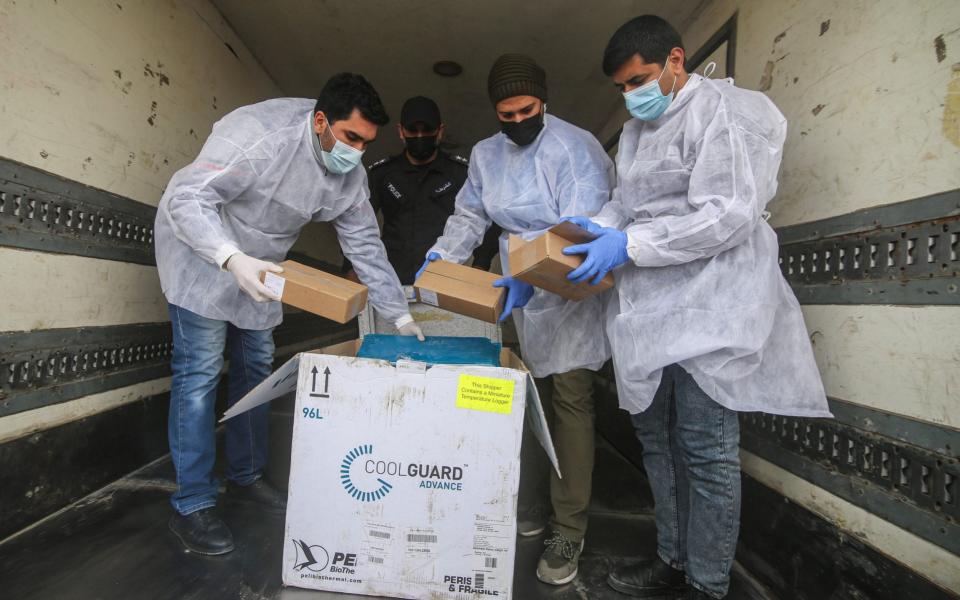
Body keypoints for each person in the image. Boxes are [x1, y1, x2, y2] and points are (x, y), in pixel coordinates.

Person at [562, 16, 831, 600]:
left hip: (712, 305)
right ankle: (671, 559)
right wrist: (601, 226)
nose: (632, 95)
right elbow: (626, 203)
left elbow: (728, 215)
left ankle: (707, 584)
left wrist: (628, 244)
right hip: (652, 309)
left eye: (639, 80)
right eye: (622, 88)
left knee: (705, 448)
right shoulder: (637, 131)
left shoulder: (728, 114)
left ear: (676, 61)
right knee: (657, 442)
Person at [154, 73, 424, 556]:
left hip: (264, 262)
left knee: (257, 368)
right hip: (202, 249)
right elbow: (187, 198)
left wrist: (398, 316)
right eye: (351, 138)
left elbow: (364, 244)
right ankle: (193, 502)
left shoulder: (350, 175)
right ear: (321, 121)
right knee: (198, 374)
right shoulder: (259, 136)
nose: (358, 152)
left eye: (367, 143)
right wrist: (230, 258)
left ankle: (246, 474)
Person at [419, 54, 614, 586]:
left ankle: (568, 528)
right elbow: (469, 214)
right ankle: (527, 503)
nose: (516, 121)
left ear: (543, 101)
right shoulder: (486, 154)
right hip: (515, 286)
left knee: (570, 397)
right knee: (522, 394)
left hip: (566, 283)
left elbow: (586, 227)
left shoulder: (575, 148)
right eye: (505, 114)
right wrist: (444, 258)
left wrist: (540, 276)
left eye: (526, 109)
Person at [343, 96, 501, 286]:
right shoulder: (383, 174)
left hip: (444, 280)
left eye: (427, 130)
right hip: (389, 282)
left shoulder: (460, 174)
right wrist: (351, 272)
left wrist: (480, 267)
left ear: (439, 131)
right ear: (401, 131)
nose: (419, 136)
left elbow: (488, 220)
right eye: (412, 130)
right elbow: (356, 225)